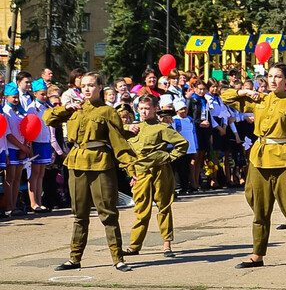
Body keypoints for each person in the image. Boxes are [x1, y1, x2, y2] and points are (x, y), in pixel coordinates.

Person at [223, 63, 286, 271]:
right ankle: (257, 255)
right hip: (259, 160)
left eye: (278, 76)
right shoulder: (261, 100)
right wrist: (245, 91)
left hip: (284, 162)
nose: (273, 80)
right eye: (270, 76)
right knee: (259, 210)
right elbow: (226, 98)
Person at [46, 72, 138, 272]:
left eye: (91, 85)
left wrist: (131, 168)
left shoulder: (107, 111)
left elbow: (118, 142)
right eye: (84, 86)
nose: (87, 89)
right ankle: (74, 258)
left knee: (108, 214)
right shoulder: (75, 109)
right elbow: (48, 118)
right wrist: (65, 109)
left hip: (100, 164)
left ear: (100, 87)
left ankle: (118, 258)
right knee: (79, 214)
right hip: (76, 163)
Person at [122, 94, 188, 258]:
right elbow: (116, 137)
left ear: (155, 109)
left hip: (160, 170)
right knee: (141, 209)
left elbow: (182, 144)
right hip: (141, 171)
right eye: (141, 109)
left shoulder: (162, 128)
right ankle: (134, 245)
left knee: (164, 206)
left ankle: (167, 244)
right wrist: (127, 127)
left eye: (147, 108)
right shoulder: (133, 128)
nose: (144, 112)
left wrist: (169, 157)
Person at [26, 79, 55, 213]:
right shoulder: (32, 108)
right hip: (36, 143)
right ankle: (33, 203)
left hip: (45, 142)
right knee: (34, 173)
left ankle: (40, 201)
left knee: (41, 174)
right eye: (42, 94)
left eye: (45, 94)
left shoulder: (46, 107)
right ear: (35, 93)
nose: (44, 97)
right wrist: (30, 146)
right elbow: (29, 127)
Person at [3, 82, 30, 215]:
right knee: (10, 178)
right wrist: (22, 147)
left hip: (21, 148)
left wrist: (25, 146)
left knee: (18, 178)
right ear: (6, 97)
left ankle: (14, 205)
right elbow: (8, 134)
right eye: (13, 97)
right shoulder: (6, 111)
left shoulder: (19, 111)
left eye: (17, 97)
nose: (16, 100)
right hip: (11, 148)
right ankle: (9, 207)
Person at [171, 98, 198, 193]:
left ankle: (186, 186)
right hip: (180, 147)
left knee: (187, 167)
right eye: (181, 109)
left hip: (190, 146)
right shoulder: (175, 120)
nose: (183, 111)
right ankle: (179, 186)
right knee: (180, 167)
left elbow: (193, 132)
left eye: (185, 109)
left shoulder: (190, 119)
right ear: (176, 111)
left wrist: (195, 145)